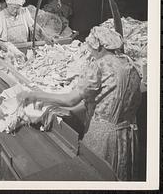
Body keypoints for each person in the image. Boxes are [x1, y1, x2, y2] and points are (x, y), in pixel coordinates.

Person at [17, 26, 141, 181]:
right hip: (125, 135)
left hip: (103, 138)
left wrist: (34, 95)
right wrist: (65, 110)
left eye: (91, 49)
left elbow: (70, 99)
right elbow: (107, 100)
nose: (90, 53)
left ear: (99, 46)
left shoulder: (100, 66)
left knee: (96, 176)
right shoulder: (130, 64)